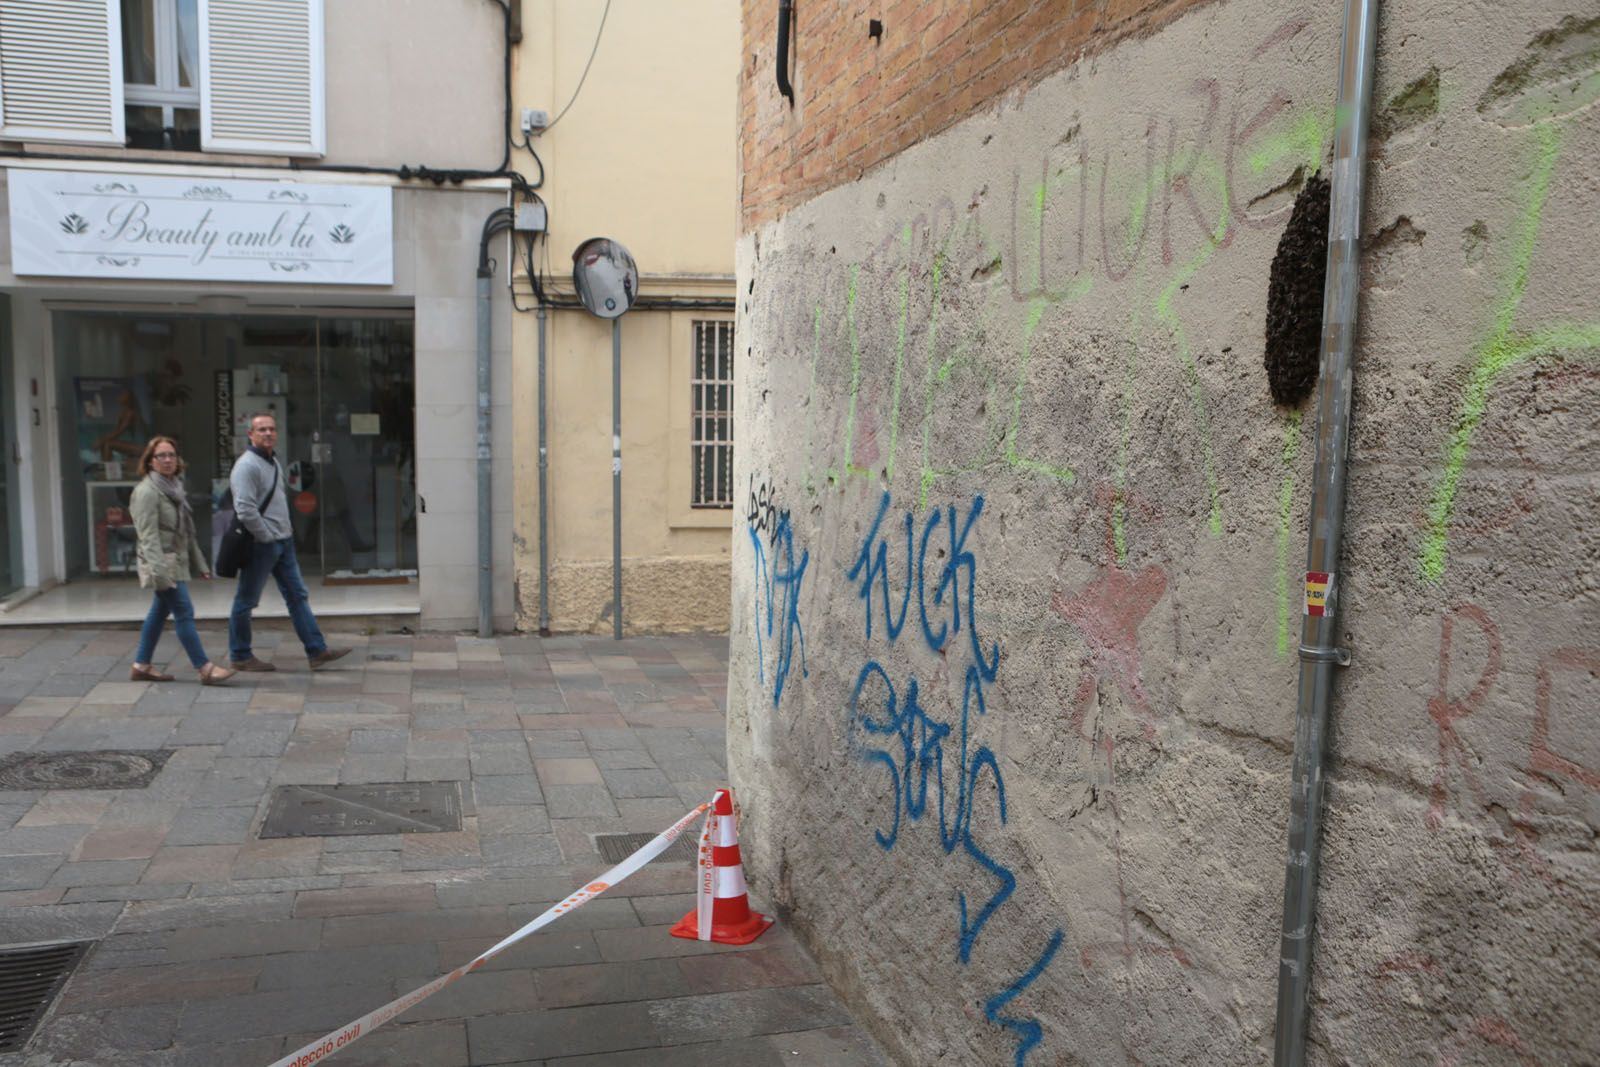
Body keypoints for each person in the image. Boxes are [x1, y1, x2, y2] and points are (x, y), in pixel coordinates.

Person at [227, 412, 350, 672]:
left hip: (283, 542)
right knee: (246, 600)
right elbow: (245, 509)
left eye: (271, 429)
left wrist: (285, 531)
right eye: (261, 430)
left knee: (297, 596)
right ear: (250, 434)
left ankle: (316, 651)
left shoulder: (273, 462)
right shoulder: (247, 465)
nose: (268, 433)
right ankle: (240, 655)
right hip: (263, 544)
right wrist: (267, 536)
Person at [129, 436, 235, 686]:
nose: (167, 460)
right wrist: (160, 573)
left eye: (171, 455)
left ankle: (141, 664)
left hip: (176, 560)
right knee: (184, 612)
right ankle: (205, 668)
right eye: (161, 456)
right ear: (150, 461)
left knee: (158, 613)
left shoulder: (174, 487)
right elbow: (148, 537)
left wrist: (201, 564)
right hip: (162, 564)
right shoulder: (146, 492)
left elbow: (185, 533)